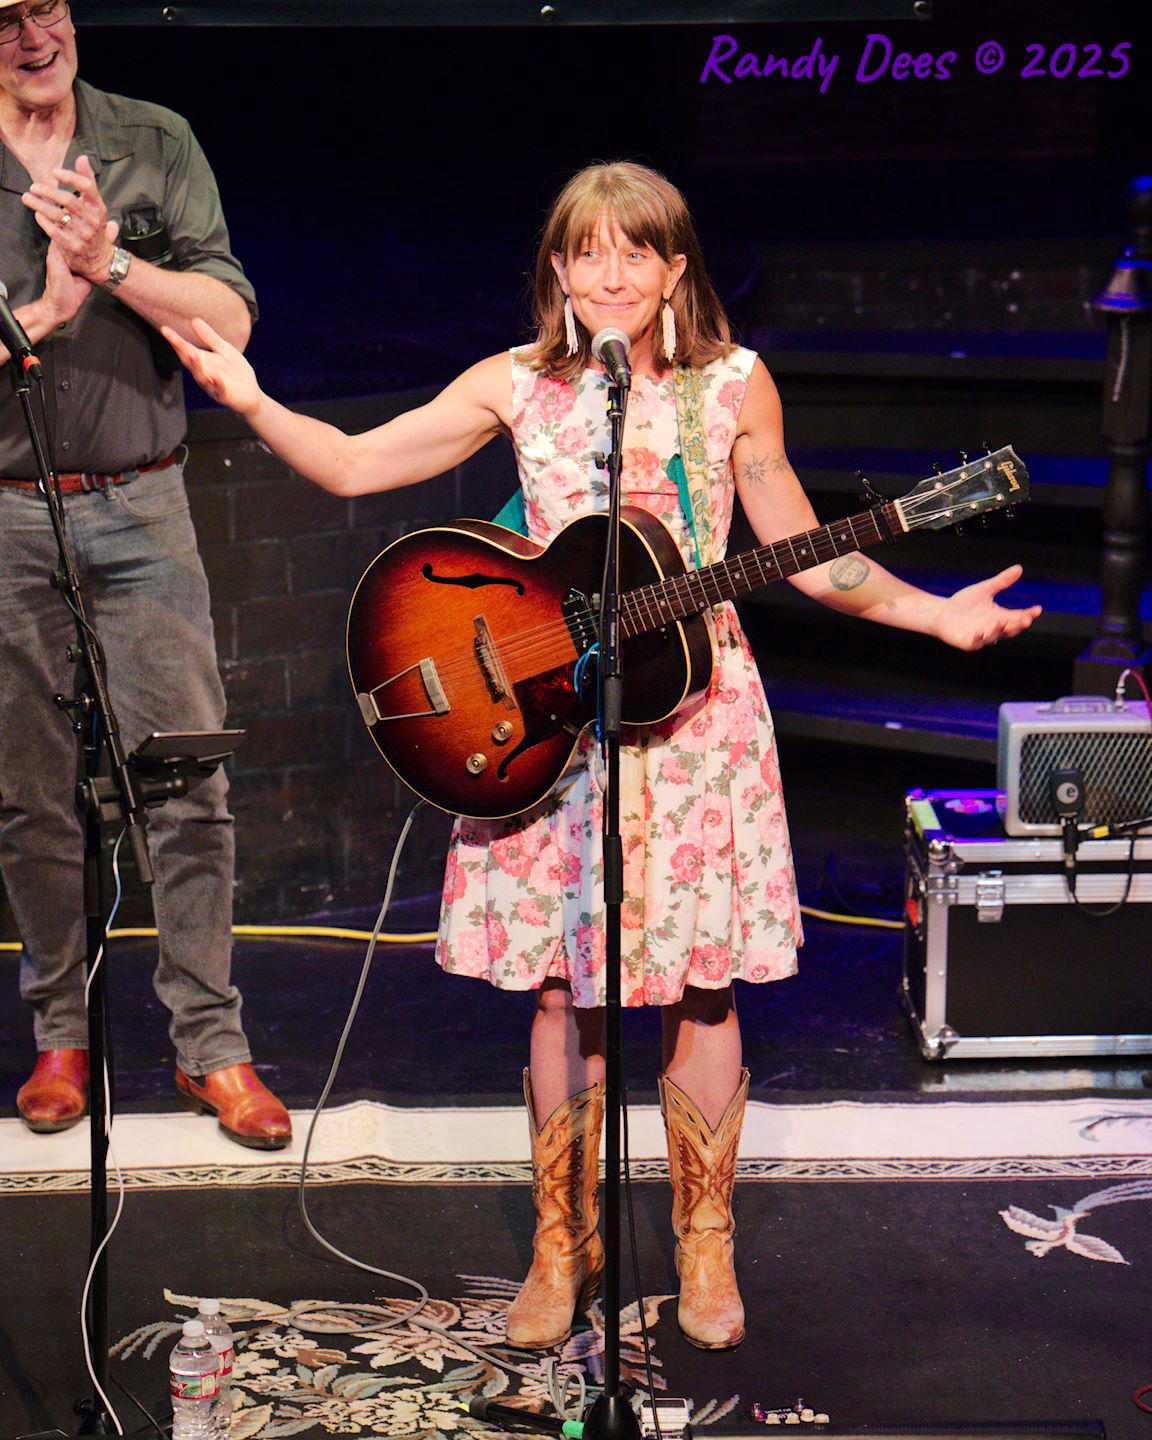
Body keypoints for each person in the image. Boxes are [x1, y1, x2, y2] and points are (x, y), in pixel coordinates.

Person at [164, 161, 1041, 1345]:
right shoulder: (517, 383)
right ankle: (558, 1242)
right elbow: (361, 464)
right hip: (551, 723)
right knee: (561, 986)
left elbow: (798, 545)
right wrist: (254, 398)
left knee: (706, 980)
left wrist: (936, 612)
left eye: (638, 251)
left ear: (677, 268)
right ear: (560, 269)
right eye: (589, 251)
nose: (612, 272)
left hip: (695, 728)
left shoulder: (734, 387)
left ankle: (705, 1242)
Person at [0, 0, 291, 1149]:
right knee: (33, 795)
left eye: (50, 9)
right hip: (10, 516)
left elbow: (230, 314)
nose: (34, 35)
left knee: (187, 785)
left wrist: (110, 262)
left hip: (143, 503)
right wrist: (41, 314)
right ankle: (61, 1033)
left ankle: (210, 1047)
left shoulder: (152, 140)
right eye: (8, 15)